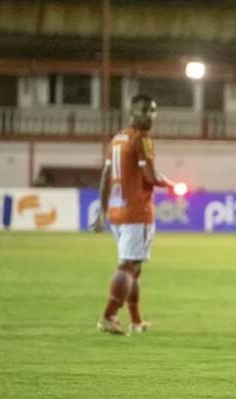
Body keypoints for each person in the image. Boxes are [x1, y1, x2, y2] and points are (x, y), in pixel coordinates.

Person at [90, 93, 178, 335]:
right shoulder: (142, 139)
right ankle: (108, 316)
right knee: (128, 266)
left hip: (118, 213)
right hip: (137, 211)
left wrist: (103, 211)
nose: (149, 115)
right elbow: (150, 176)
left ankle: (136, 321)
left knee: (134, 267)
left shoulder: (117, 139)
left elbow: (106, 176)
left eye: (152, 110)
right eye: (145, 110)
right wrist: (170, 183)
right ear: (132, 112)